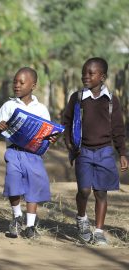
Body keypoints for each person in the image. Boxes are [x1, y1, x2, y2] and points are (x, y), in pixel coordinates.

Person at [63, 57, 128, 245]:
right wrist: (69, 143)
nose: (86, 76)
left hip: (105, 151)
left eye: (91, 73)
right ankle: (82, 218)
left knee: (101, 192)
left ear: (102, 77)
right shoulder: (77, 98)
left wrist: (122, 153)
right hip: (83, 151)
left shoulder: (111, 101)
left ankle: (98, 231)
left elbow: (118, 129)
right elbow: (67, 122)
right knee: (84, 190)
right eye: (84, 73)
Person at [0, 67, 56, 239]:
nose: (17, 85)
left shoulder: (41, 109)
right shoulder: (9, 105)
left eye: (22, 82)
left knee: (33, 186)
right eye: (15, 82)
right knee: (13, 183)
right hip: (13, 151)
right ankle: (16, 216)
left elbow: (47, 133)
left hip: (33, 155)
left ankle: (30, 226)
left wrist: (49, 139)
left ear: (33, 85)